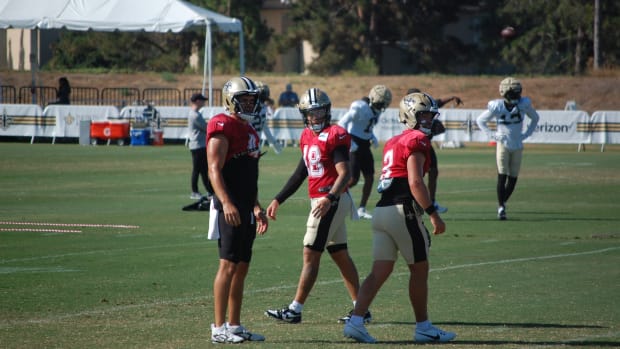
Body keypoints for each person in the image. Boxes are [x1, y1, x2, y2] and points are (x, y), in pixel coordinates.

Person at [343, 92, 456, 344]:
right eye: (422, 115)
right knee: (420, 268)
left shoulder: (393, 141)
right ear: (410, 116)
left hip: (381, 212)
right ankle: (423, 327)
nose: (427, 120)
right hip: (402, 211)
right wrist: (433, 214)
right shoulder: (417, 140)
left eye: (430, 115)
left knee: (379, 272)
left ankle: (356, 321)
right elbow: (415, 182)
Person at [264, 87, 371, 325]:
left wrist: (329, 198)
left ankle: (295, 309)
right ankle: (361, 309)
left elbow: (345, 173)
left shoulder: (335, 134)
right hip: (327, 201)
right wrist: (277, 199)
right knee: (340, 255)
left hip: (329, 201)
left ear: (328, 111)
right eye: (311, 113)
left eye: (320, 111)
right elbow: (300, 173)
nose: (316, 117)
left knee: (310, 254)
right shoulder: (306, 136)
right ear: (305, 114)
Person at [207, 76, 269, 344]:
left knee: (242, 266)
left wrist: (256, 205)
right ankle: (218, 327)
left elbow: (249, 174)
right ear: (230, 100)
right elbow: (213, 169)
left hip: (246, 205)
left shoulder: (250, 130)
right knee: (228, 265)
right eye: (244, 99)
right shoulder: (221, 125)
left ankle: (234, 325)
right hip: (229, 205)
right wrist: (227, 202)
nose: (249, 103)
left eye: (251, 99)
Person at [476, 77, 539, 220]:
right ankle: (501, 207)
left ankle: (502, 203)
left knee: (513, 178)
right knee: (502, 175)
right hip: (503, 144)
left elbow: (535, 118)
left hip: (517, 144)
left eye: (517, 93)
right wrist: (494, 136)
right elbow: (480, 120)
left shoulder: (524, 104)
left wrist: (526, 134)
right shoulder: (497, 106)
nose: (516, 97)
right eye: (513, 93)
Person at [337, 85, 392, 219]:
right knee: (352, 179)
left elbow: (367, 126)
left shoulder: (375, 110)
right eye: (380, 103)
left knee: (369, 177)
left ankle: (362, 208)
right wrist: (349, 141)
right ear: (373, 99)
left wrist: (372, 137)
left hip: (365, 144)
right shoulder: (360, 107)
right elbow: (341, 124)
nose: (382, 106)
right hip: (354, 144)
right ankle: (334, 199)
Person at [407, 88, 463, 214]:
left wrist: (452, 97)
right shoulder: (407, 109)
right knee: (416, 175)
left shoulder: (422, 104)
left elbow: (437, 103)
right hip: (414, 143)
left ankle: (431, 201)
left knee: (433, 172)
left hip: (426, 143)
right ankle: (415, 201)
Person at [187, 93, 212, 200]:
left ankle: (209, 191)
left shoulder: (196, 113)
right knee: (198, 169)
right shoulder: (195, 115)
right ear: (197, 101)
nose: (203, 102)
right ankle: (195, 191)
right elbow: (206, 127)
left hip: (199, 145)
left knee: (202, 169)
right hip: (198, 145)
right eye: (202, 100)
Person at [252, 81, 282, 154]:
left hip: (246, 144)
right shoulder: (263, 108)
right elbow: (265, 129)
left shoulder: (249, 108)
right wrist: (274, 142)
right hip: (256, 145)